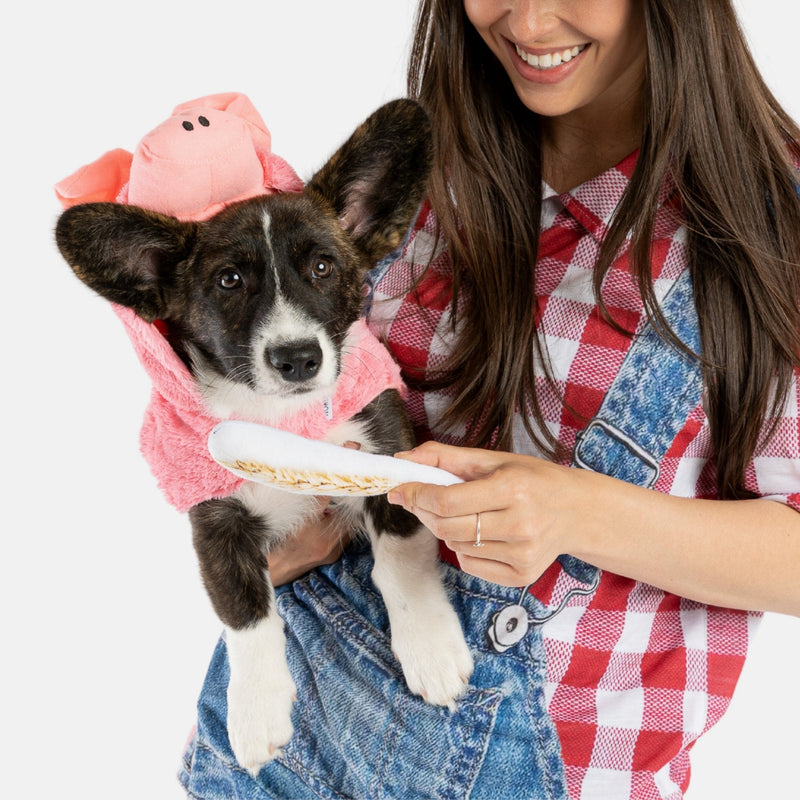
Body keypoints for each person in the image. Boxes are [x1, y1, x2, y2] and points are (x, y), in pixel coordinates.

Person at [179, 1, 800, 798]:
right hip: (279, 757)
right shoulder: (409, 187)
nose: (531, 19)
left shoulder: (772, 231)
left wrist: (576, 512)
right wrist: (282, 535)